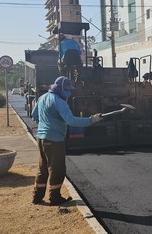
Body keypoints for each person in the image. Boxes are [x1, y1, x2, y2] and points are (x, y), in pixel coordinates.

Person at [31, 76, 103, 205]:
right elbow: (71, 120)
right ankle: (55, 197)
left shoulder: (42, 98)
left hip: (41, 139)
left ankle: (37, 197)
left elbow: (34, 115)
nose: (69, 93)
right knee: (57, 169)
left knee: (43, 169)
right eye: (67, 90)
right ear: (60, 89)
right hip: (54, 140)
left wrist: (44, 126)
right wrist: (92, 120)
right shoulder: (59, 101)